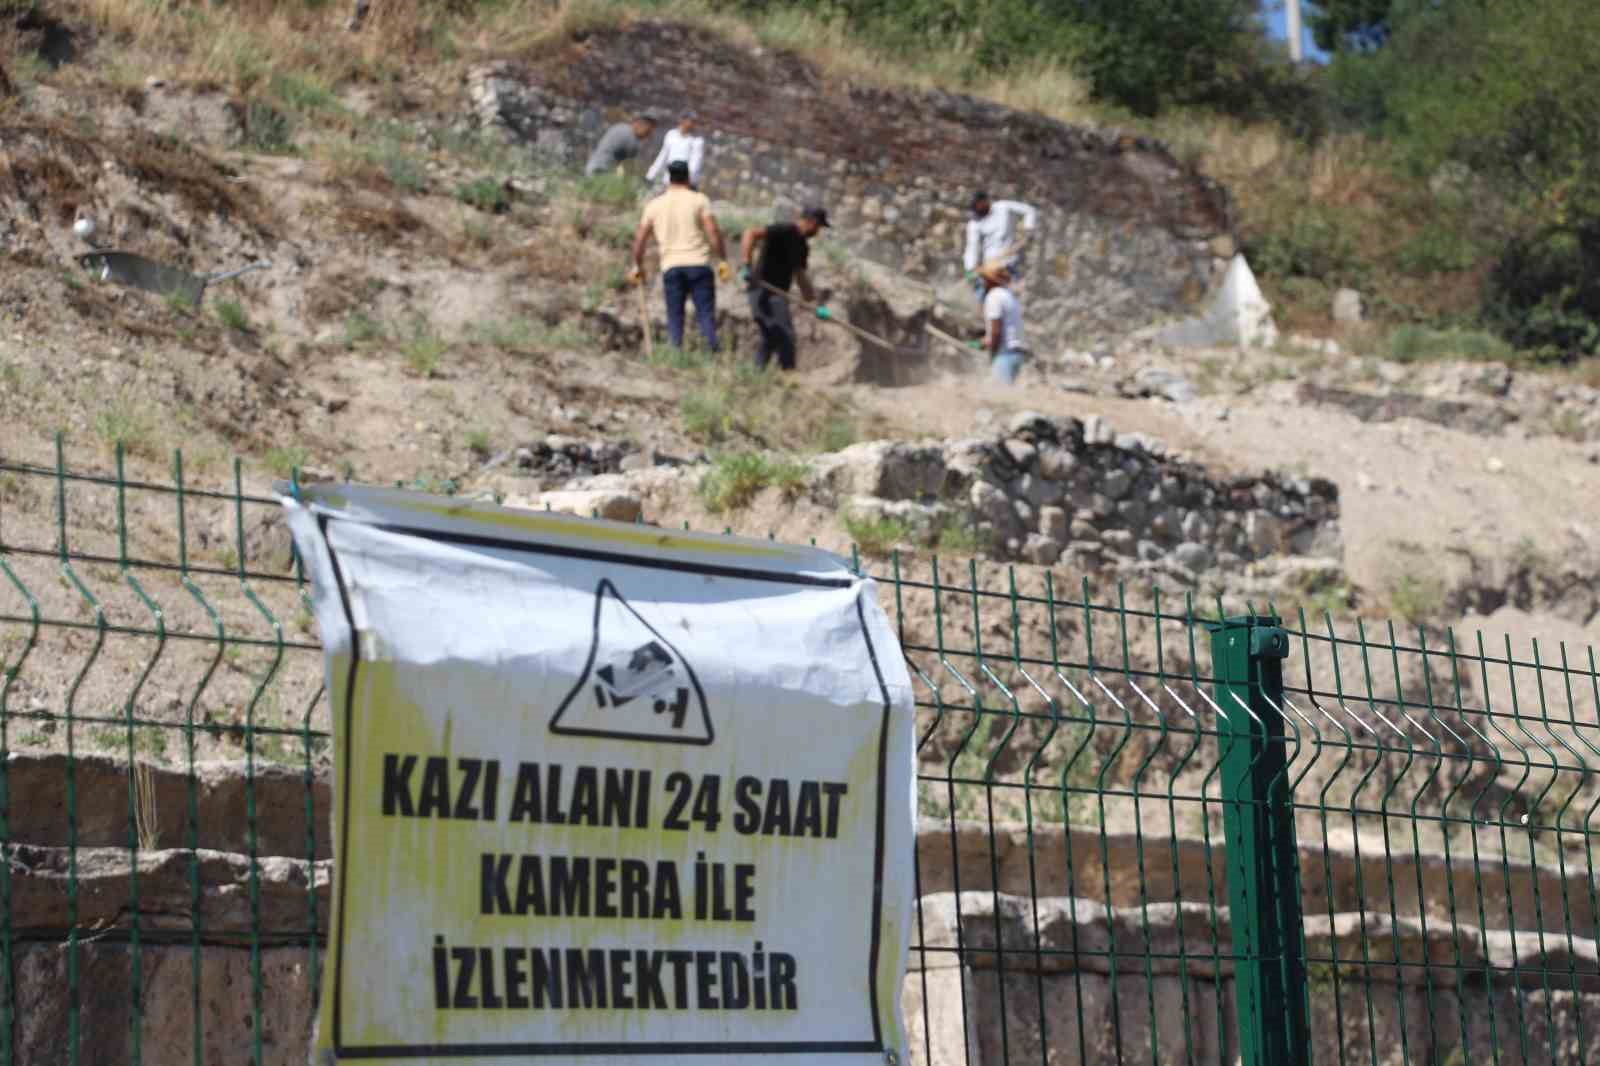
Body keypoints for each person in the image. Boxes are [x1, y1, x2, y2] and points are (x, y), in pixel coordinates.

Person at [629, 160, 731, 351]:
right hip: (699, 265)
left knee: (675, 317)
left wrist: (637, 265)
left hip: (671, 267)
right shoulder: (699, 200)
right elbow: (713, 232)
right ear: (688, 177)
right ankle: (710, 355)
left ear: (669, 178)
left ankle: (675, 355)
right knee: (705, 315)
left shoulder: (654, 205)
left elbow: (640, 239)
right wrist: (723, 260)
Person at [739, 207, 832, 372]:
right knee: (782, 333)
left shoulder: (802, 246)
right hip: (761, 288)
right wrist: (747, 265)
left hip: (778, 294)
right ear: (812, 222)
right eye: (818, 227)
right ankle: (789, 374)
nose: (818, 232)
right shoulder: (784, 230)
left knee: (773, 335)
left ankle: (757, 373)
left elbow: (800, 276)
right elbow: (750, 233)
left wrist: (815, 305)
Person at [963, 192, 1038, 302]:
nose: (976, 209)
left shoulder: (1003, 207)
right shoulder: (974, 223)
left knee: (1010, 298)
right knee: (983, 297)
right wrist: (970, 269)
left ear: (985, 201)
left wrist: (1029, 230)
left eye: (977, 205)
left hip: (1009, 264)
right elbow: (971, 247)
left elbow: (1029, 210)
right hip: (990, 266)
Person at [978, 262, 1027, 385]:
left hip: (1005, 354)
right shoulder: (1009, 295)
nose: (982, 283)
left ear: (990, 281)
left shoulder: (993, 296)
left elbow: (996, 331)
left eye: (984, 279)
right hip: (1017, 354)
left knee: (998, 393)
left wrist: (992, 354)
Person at [645, 111, 706, 189]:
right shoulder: (671, 135)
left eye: (694, 122)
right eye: (690, 121)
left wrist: (687, 181)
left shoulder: (697, 141)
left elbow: (695, 164)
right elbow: (662, 156)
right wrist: (650, 175)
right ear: (682, 120)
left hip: (685, 183)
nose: (692, 124)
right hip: (668, 180)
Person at [585, 114, 657, 178]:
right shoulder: (629, 135)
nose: (649, 134)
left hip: (595, 166)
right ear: (639, 124)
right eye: (648, 130)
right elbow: (627, 164)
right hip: (601, 170)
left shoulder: (621, 127)